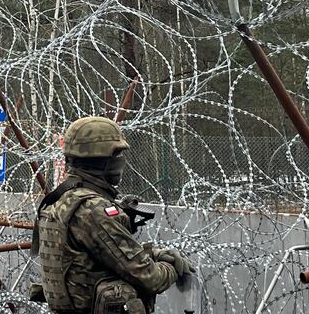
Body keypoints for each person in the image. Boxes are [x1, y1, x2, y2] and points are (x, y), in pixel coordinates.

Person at [33, 116, 193, 314]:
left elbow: (98, 258)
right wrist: (171, 267)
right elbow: (150, 278)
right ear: (101, 160)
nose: (121, 161)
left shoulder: (58, 200)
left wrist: (154, 253)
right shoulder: (93, 210)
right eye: (116, 155)